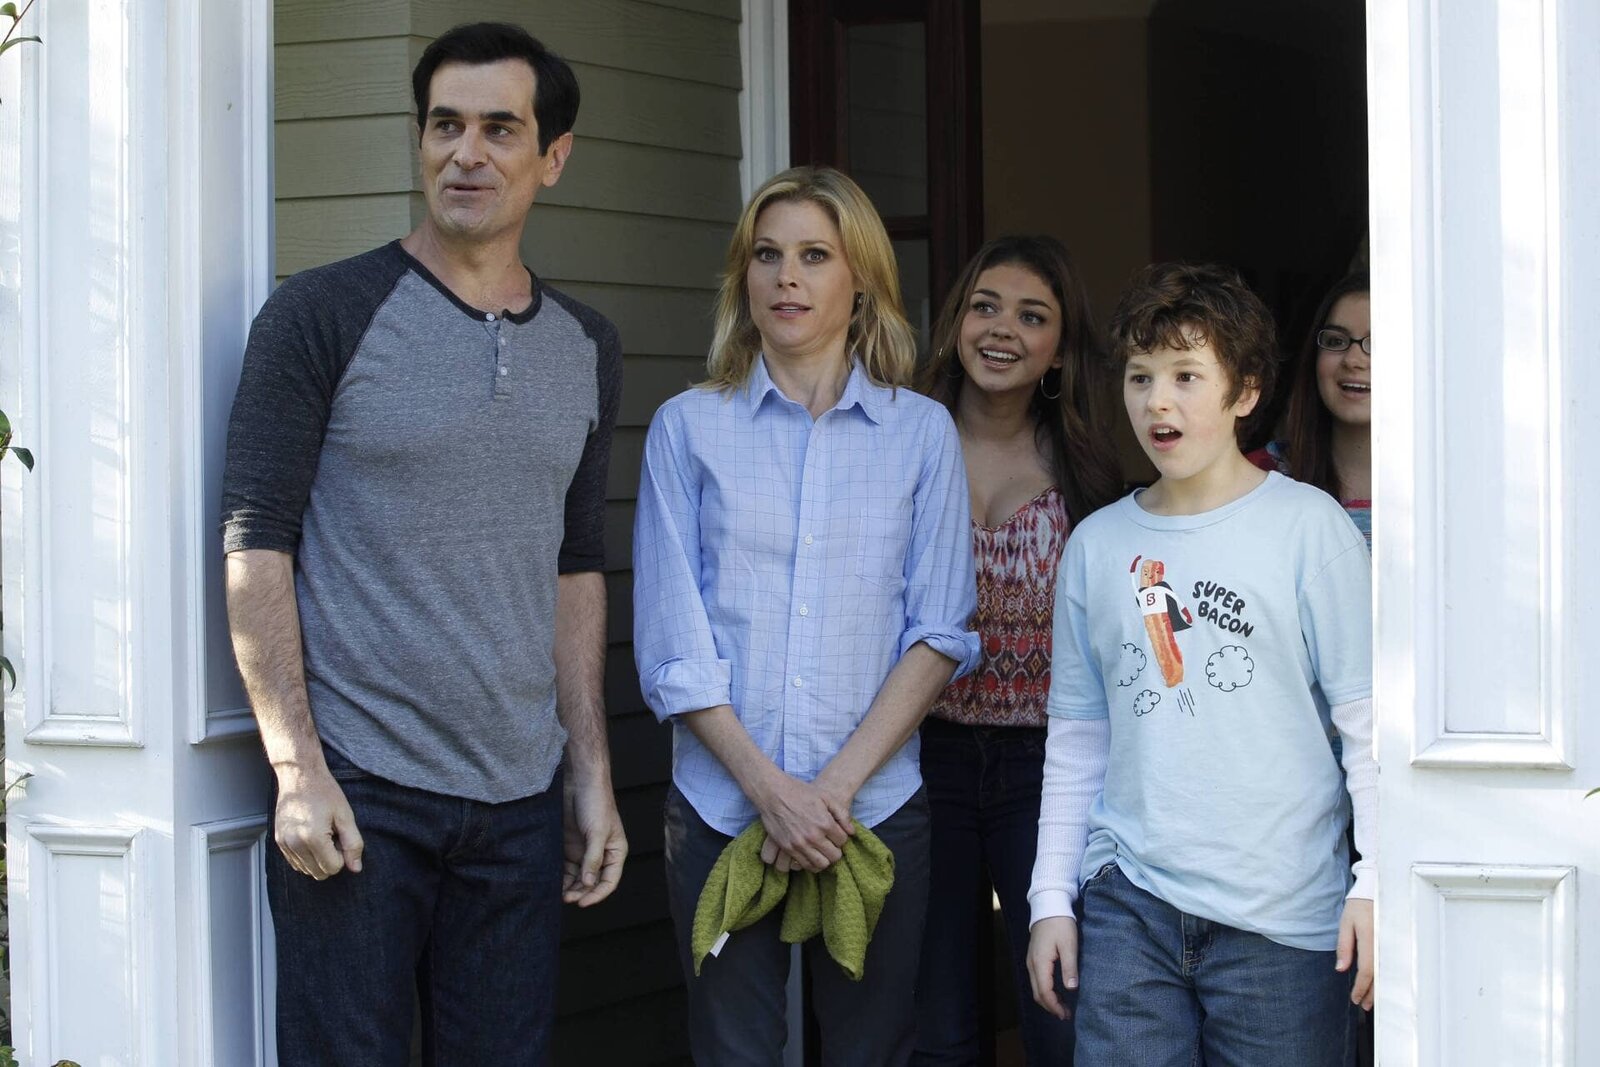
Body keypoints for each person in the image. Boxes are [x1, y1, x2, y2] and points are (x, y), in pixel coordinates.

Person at [220, 23, 626, 1066]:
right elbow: (257, 543)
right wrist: (296, 767)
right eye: (445, 126)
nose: (465, 154)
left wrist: (589, 770)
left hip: (518, 802)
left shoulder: (585, 345)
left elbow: (574, 564)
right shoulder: (320, 313)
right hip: (362, 791)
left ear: (554, 157)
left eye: (499, 129)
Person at [632, 165, 980, 1066]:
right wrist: (771, 791)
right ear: (743, 277)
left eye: (815, 256)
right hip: (722, 806)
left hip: (873, 808)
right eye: (767, 255)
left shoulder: (921, 435)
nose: (787, 277)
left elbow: (939, 632)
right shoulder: (687, 428)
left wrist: (828, 794)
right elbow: (674, 645)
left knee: (873, 1051)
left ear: (860, 279)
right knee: (733, 1054)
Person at [1026, 263, 1376, 1065]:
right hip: (1130, 907)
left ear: (1245, 390)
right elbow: (1077, 741)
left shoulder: (1309, 527)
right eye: (1141, 377)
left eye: (1187, 376)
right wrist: (1050, 898)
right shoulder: (1096, 546)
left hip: (1282, 919)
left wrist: (1375, 880)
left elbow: (1368, 726)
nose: (1158, 401)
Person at [911, 236, 1121, 1066]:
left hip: (1048, 767)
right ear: (956, 323)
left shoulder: (1090, 471)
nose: (1001, 329)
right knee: (937, 1019)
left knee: (1058, 1011)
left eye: (1032, 316)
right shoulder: (902, 440)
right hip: (918, 755)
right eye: (984, 306)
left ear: (1060, 350)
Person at [1249, 272, 1372, 545]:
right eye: (1336, 341)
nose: (1353, 360)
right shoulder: (1254, 479)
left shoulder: (1452, 485)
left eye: (1376, 343)